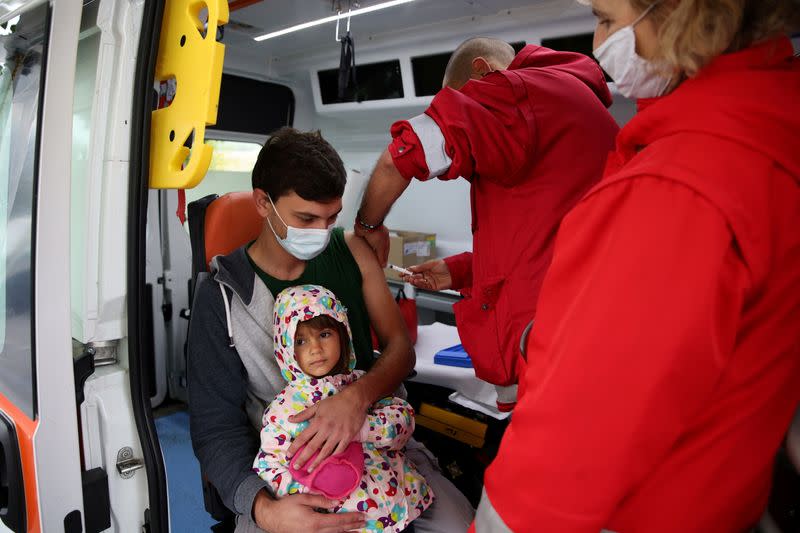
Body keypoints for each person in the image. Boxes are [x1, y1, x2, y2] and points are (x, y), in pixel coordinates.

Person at [474, 1, 800, 531]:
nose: (598, 38)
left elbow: (567, 459)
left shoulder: (675, 187)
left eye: (606, 17)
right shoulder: (768, 129)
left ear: (682, 13)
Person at [187, 128, 474, 533]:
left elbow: (400, 348)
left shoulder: (351, 250)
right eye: (306, 218)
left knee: (465, 526)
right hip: (288, 472)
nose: (321, 232)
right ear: (263, 203)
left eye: (331, 217)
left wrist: (356, 399)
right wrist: (263, 508)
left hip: (380, 450)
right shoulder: (221, 298)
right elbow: (215, 428)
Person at [355, 37, 619, 409]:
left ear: (484, 70)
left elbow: (401, 155)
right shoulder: (570, 106)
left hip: (550, 354)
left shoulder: (515, 94)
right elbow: (548, 245)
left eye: (464, 98)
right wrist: (462, 271)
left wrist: (367, 227)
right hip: (589, 332)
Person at [253, 285, 434, 533]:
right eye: (301, 340)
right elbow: (269, 466)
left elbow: (403, 421)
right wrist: (312, 488)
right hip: (343, 524)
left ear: (343, 334)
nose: (315, 348)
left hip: (397, 511)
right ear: (286, 348)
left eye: (325, 334)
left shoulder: (363, 384)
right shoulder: (283, 411)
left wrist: (363, 429)